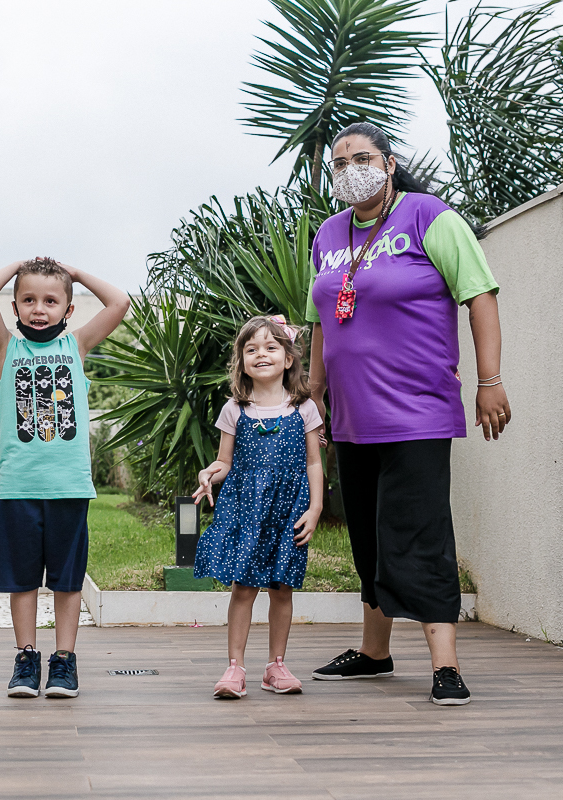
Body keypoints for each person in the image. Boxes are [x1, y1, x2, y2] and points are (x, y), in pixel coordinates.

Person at [307, 122, 512, 706]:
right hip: (351, 414)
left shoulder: (428, 217)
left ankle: (445, 665)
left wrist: (489, 381)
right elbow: (320, 323)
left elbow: (480, 294)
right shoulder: (329, 233)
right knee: (369, 537)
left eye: (362, 158)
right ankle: (375, 653)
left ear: (389, 163)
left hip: (418, 410)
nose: (351, 170)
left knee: (419, 534)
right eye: (340, 164)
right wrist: (313, 396)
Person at [0, 257, 130, 698]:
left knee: (66, 579)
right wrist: (18, 266)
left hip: (69, 488)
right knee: (21, 580)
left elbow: (120, 301)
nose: (38, 308)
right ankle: (26, 658)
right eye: (28, 299)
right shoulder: (7, 349)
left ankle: (64, 660)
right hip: (19, 489)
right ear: (16, 305)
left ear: (68, 309)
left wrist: (76, 275)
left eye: (49, 300)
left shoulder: (76, 346)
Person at [192, 316, 324, 699]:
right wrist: (208, 473)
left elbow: (314, 463)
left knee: (282, 589)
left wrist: (315, 508)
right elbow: (225, 463)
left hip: (289, 510)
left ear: (288, 359)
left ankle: (276, 666)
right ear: (242, 361)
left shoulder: (304, 409)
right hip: (246, 509)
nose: (260, 354)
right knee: (244, 588)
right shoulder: (236, 409)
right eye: (251, 349)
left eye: (270, 347)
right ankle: (235, 668)